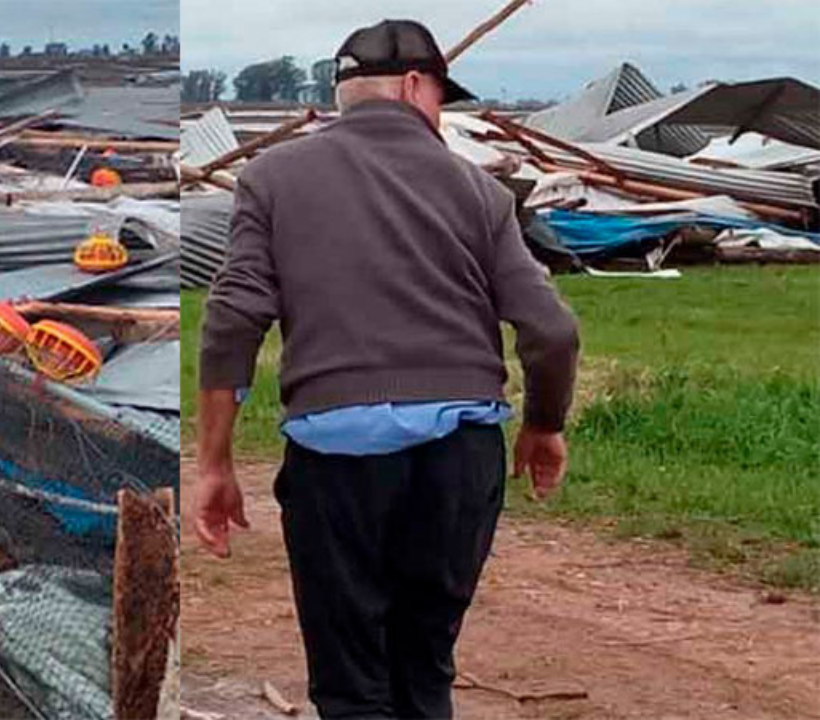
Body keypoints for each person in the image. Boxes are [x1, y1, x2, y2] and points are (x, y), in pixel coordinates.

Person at [193, 19, 580, 719]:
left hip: (337, 464)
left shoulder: (270, 178)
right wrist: (544, 425)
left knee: (351, 686)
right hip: (460, 463)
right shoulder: (481, 193)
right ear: (411, 85)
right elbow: (552, 330)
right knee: (424, 669)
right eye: (440, 95)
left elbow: (232, 318)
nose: (442, 114)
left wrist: (214, 462)